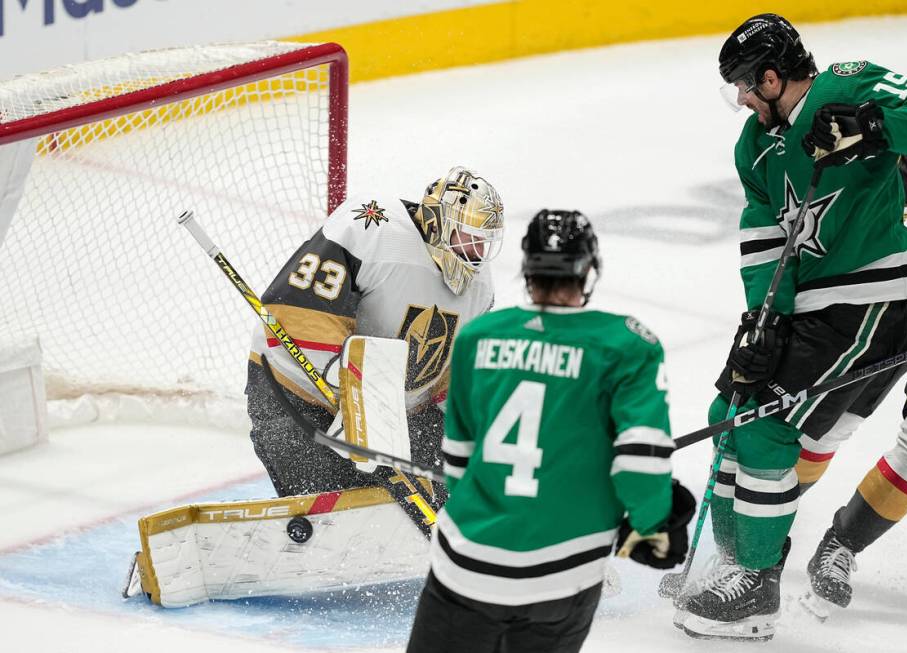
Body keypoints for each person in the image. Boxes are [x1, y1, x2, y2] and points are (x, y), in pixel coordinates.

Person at [678, 13, 907, 642]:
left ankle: (756, 583)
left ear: (774, 76)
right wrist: (763, 319)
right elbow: (763, 239)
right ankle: (733, 564)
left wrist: (873, 126)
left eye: (747, 88)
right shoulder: (753, 145)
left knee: (763, 429)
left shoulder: (848, 84)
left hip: (868, 303)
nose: (743, 102)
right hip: (804, 308)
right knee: (729, 410)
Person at [405, 209, 694, 653]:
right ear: (589, 271)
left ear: (526, 269)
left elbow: (459, 459)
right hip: (565, 574)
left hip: (467, 564)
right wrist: (652, 521)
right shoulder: (628, 345)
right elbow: (640, 460)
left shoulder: (478, 337)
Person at [794, 16, 907, 614]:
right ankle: (754, 538)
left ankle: (841, 544)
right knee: (824, 422)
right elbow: (887, 180)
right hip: (896, 293)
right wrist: (901, 218)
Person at [245, 166, 503, 507]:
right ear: (439, 221)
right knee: (336, 502)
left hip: (393, 420)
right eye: (469, 236)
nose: (477, 251)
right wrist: (348, 398)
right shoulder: (370, 226)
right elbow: (295, 310)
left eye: (485, 241)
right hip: (298, 395)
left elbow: (451, 377)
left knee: (457, 490)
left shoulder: (480, 289)